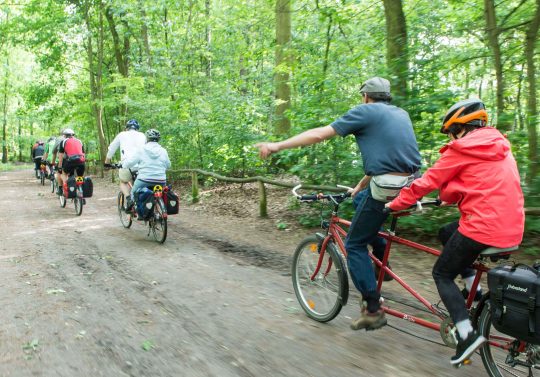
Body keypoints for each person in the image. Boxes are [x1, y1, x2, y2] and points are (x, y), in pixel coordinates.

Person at [255, 77, 421, 331]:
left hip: (388, 186)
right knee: (363, 202)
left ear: (366, 96)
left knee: (354, 244)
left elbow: (320, 134)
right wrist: (361, 185)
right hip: (412, 185)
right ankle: (381, 263)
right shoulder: (400, 114)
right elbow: (392, 157)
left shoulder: (365, 111)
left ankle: (373, 309)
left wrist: (277, 145)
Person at [386, 99, 525, 365]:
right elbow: (479, 184)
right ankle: (473, 291)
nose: (450, 137)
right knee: (447, 231)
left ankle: (467, 334)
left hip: (482, 228)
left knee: (441, 273)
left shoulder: (462, 148)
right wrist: (447, 197)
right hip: (512, 229)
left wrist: (395, 203)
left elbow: (428, 181)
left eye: (451, 132)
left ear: (461, 128)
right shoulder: (500, 147)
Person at [122, 129, 171, 211]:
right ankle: (159, 210)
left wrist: (123, 164)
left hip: (144, 179)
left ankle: (131, 208)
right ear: (158, 139)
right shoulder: (163, 151)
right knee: (161, 193)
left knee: (133, 192)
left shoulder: (141, 149)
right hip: (161, 180)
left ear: (147, 139)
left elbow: (129, 163)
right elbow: (168, 165)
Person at [104, 119, 146, 209]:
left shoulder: (122, 135)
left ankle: (128, 198)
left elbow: (111, 148)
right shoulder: (142, 135)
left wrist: (107, 162)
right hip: (141, 166)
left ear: (126, 128)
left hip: (127, 165)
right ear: (137, 129)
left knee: (123, 182)